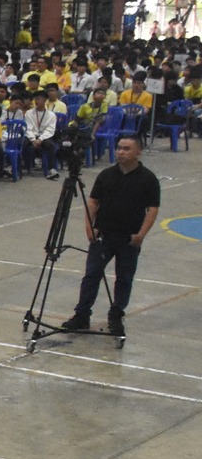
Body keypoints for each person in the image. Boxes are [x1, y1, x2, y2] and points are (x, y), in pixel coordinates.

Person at [59, 133, 159, 335]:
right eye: (119, 148)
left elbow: (152, 209)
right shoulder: (106, 175)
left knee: (124, 277)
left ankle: (116, 315)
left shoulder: (148, 179)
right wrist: (89, 227)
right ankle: (82, 315)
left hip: (129, 238)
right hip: (104, 235)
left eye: (127, 149)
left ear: (138, 152)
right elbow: (93, 202)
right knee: (92, 275)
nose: (121, 152)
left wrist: (141, 235)